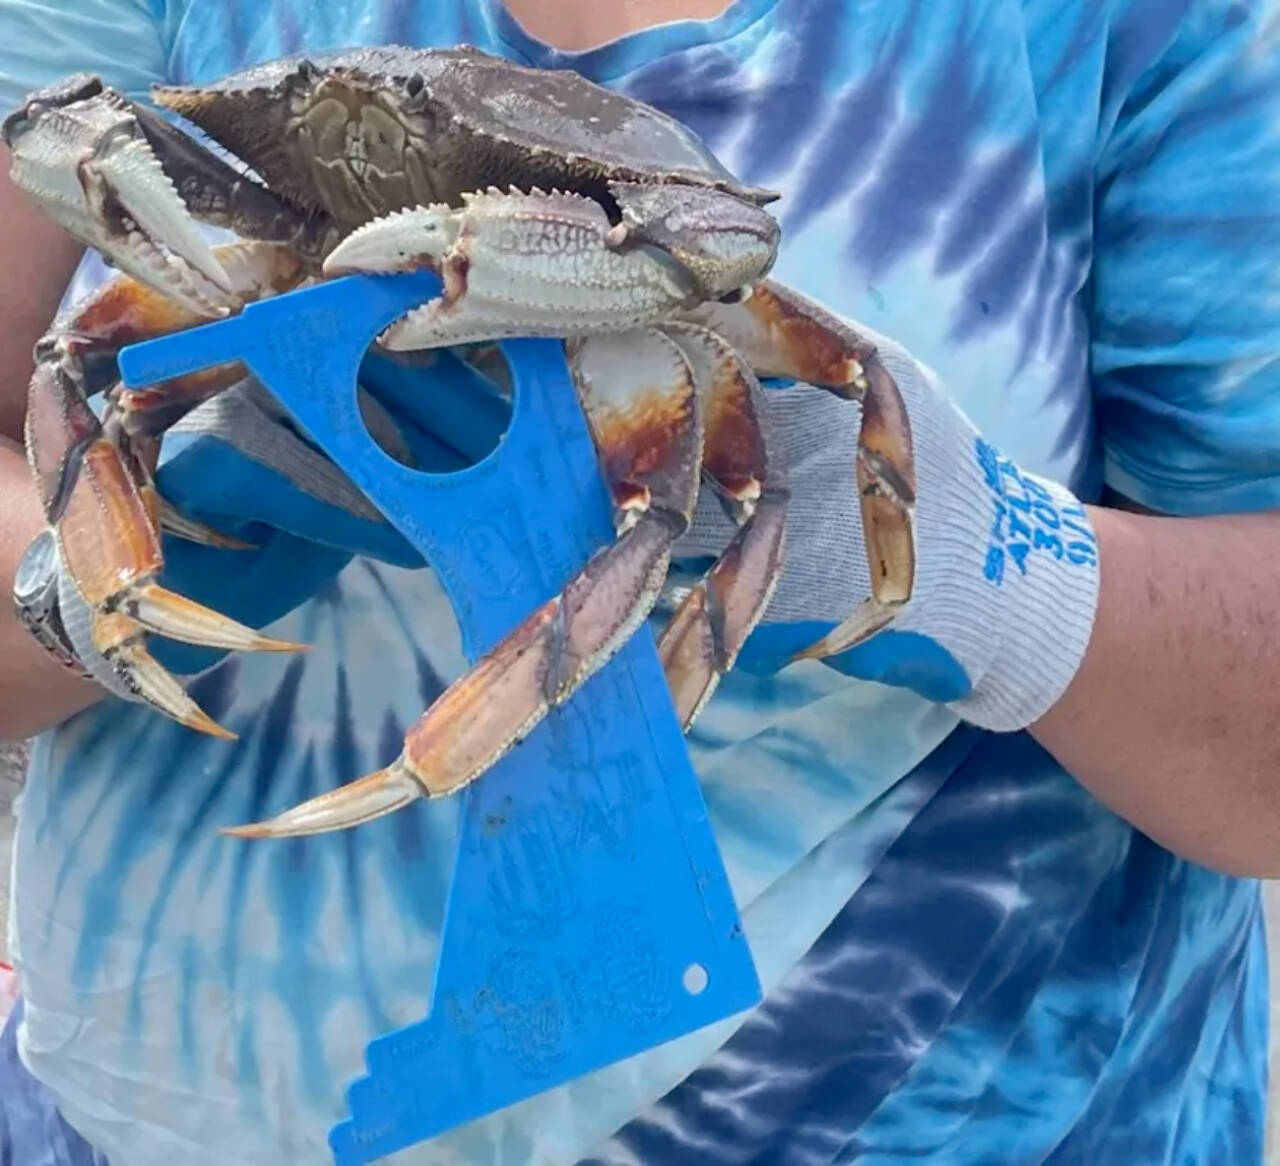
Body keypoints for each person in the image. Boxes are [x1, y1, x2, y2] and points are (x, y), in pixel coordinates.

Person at [0, 0, 1277, 1161]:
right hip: (106, 1116)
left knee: (661, 497)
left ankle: (429, 759)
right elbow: (43, 344)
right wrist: (102, 561)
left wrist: (989, 569)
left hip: (942, 1110)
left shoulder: (1149, 34)